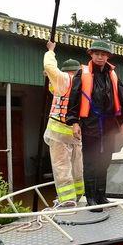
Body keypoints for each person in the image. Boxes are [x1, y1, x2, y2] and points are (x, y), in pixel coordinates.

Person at [67, 39, 123, 213]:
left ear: (108, 56)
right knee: (91, 162)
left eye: (103, 54)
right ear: (91, 55)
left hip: (109, 125)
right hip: (91, 124)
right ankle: (91, 198)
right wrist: (73, 122)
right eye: (97, 54)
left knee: (105, 161)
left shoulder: (113, 75)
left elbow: (121, 98)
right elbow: (74, 97)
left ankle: (101, 196)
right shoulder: (83, 73)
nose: (100, 57)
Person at [42, 41, 84, 210]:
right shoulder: (83, 83)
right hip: (77, 131)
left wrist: (50, 51)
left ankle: (67, 200)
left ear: (66, 71)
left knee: (61, 166)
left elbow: (49, 65)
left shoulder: (63, 79)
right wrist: (50, 77)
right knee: (77, 165)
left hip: (58, 132)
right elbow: (56, 91)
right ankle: (79, 194)